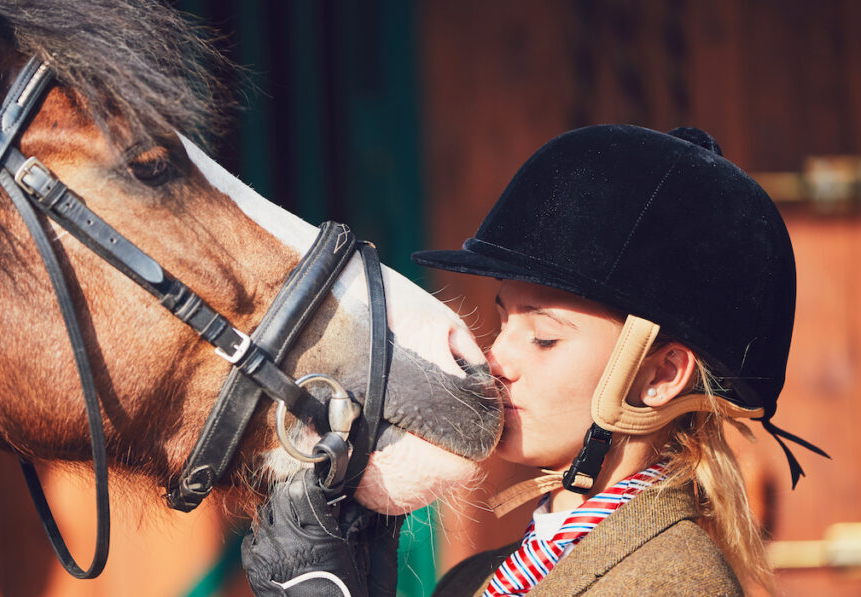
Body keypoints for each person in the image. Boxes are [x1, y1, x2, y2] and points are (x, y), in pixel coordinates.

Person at [241, 124, 827, 596]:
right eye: (502, 322)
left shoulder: (673, 585)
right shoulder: (472, 580)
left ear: (659, 375)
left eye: (544, 337)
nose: (496, 359)